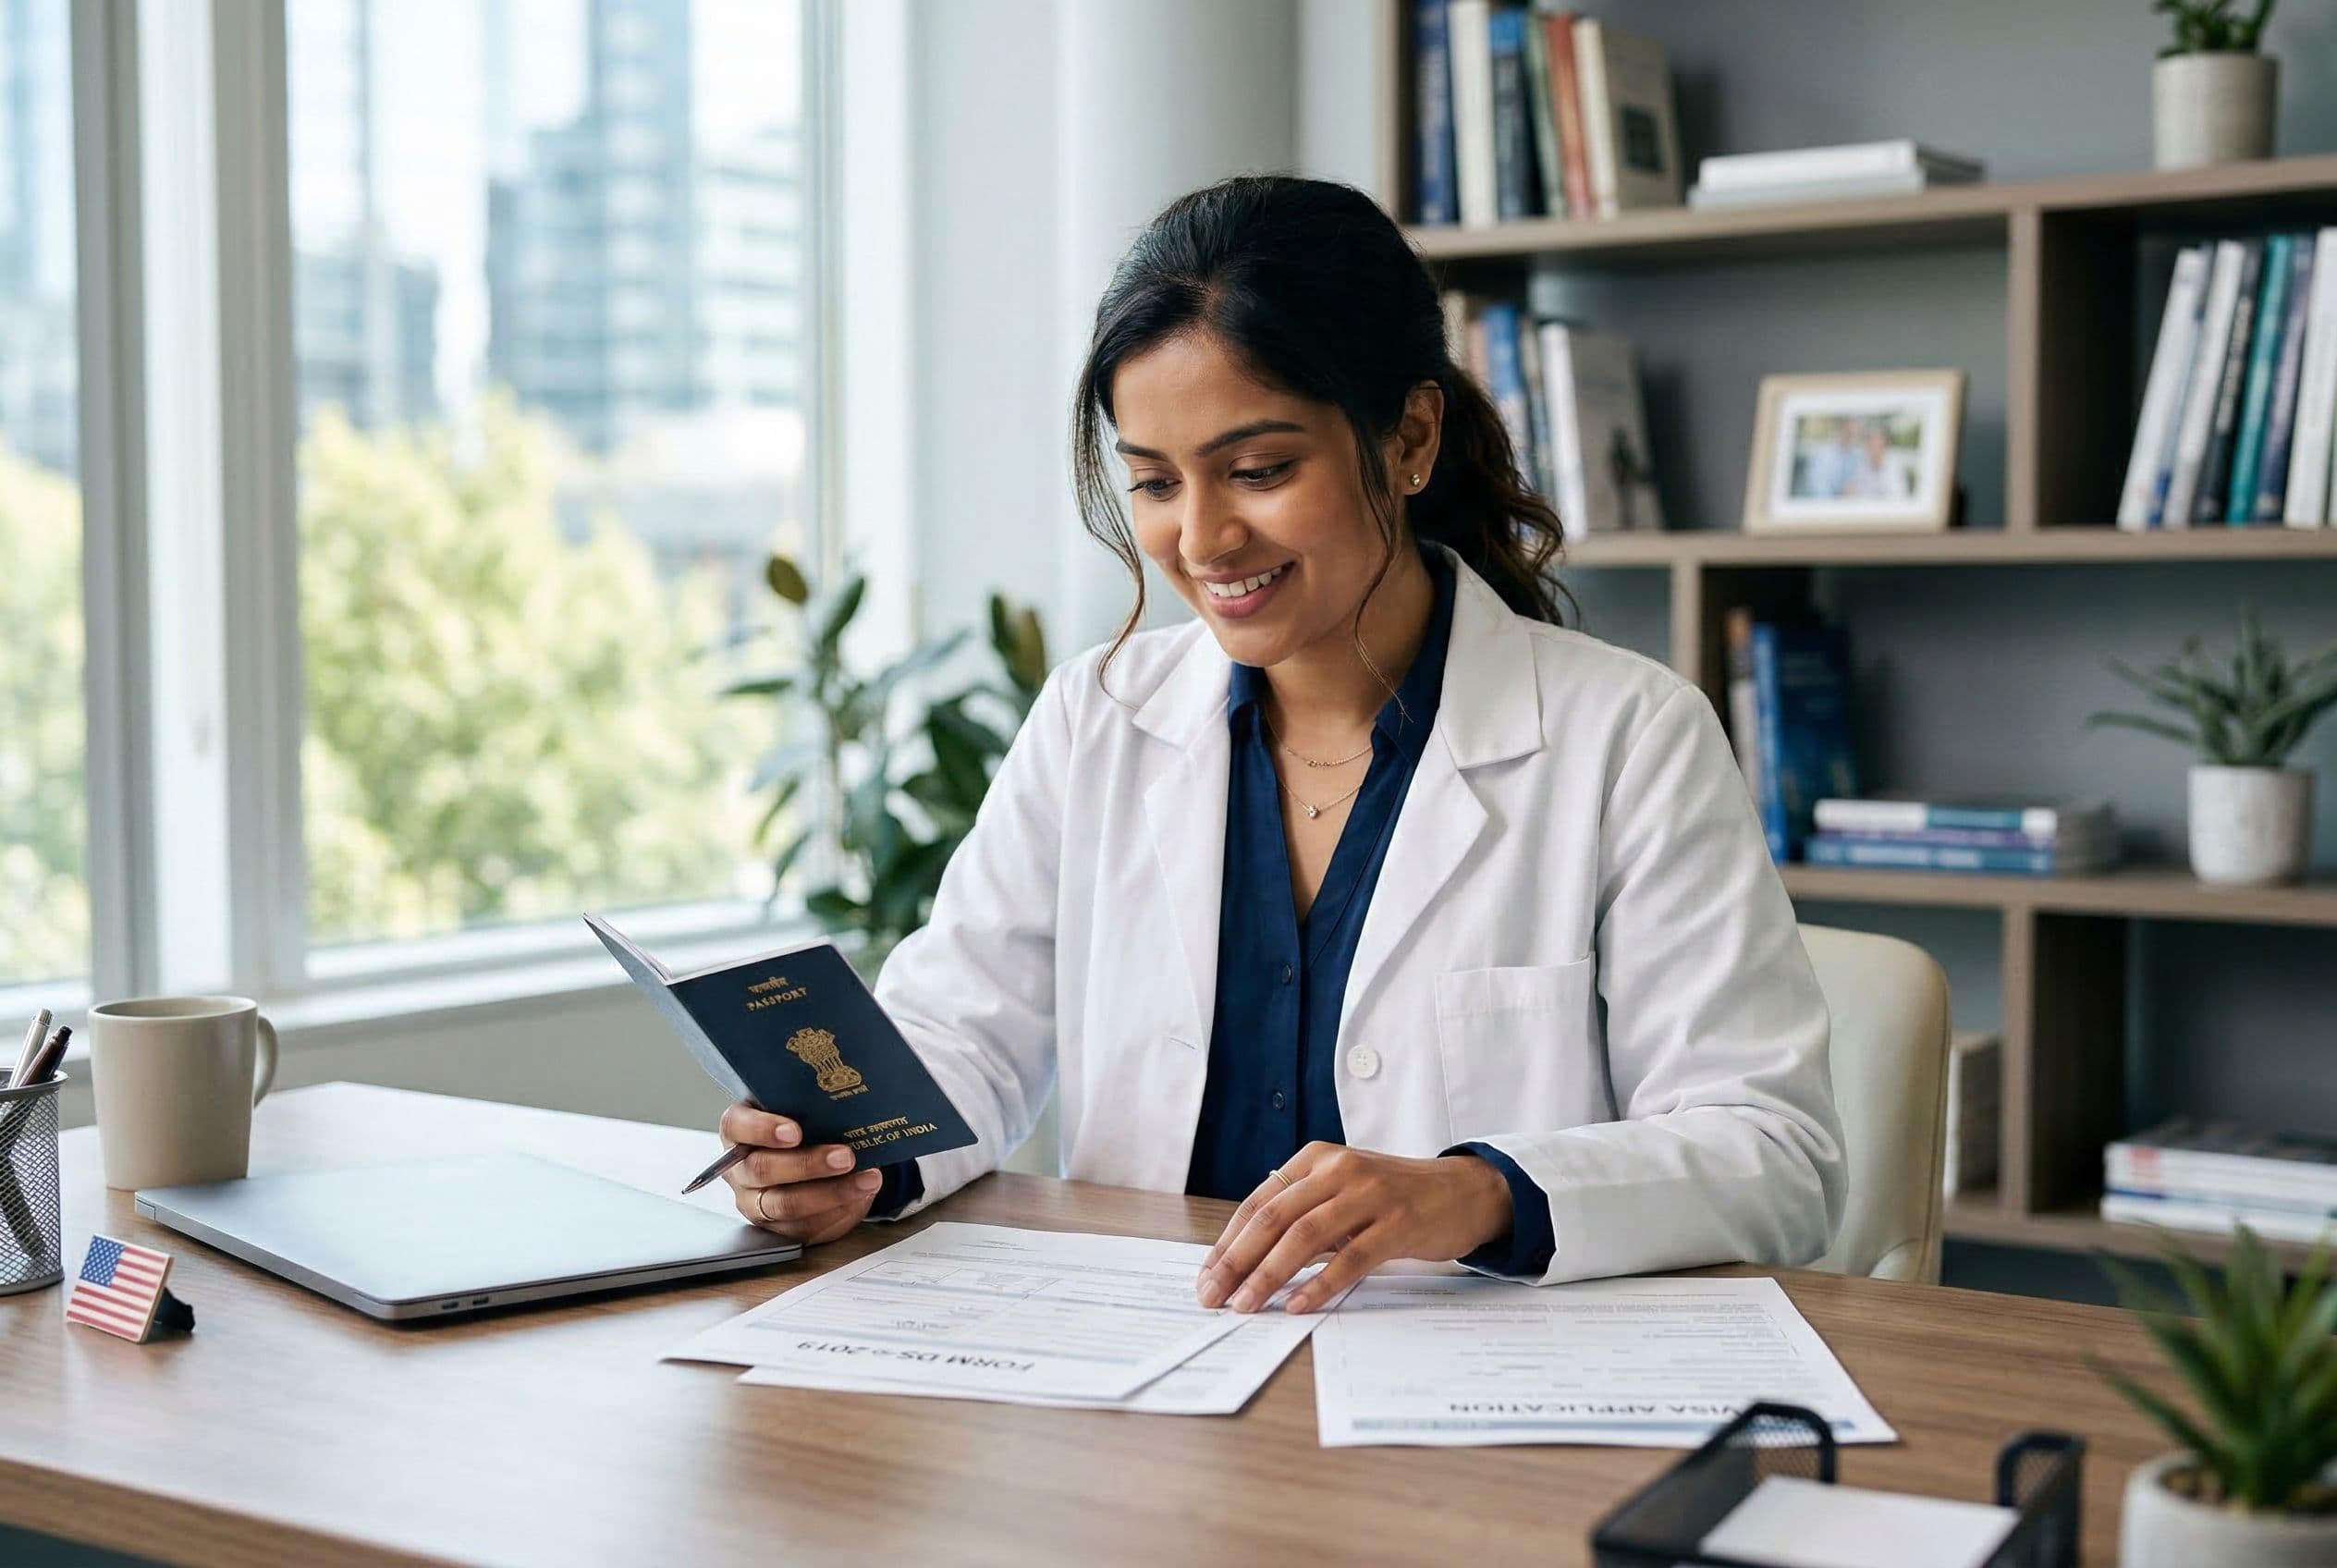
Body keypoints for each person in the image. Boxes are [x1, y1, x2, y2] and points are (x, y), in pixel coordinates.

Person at [714, 175, 1842, 1315]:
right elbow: (961, 1037)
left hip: (1468, 1391)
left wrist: (1474, 1192)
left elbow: (1772, 1153)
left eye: (1258, 471)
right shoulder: (1093, 715)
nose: (1200, 538)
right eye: (1154, 481)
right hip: (1147, 1367)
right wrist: (851, 1160)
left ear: (1407, 438)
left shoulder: (1626, 738)